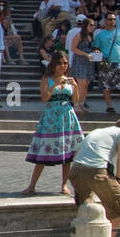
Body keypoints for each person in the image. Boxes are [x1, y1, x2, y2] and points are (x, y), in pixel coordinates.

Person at [69, 115, 120, 237]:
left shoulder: (97, 131)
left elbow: (76, 155)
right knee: (119, 206)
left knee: (85, 208)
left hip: (76, 171)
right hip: (96, 171)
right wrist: (119, 179)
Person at [21, 51, 83, 196]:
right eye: (60, 63)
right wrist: (54, 85)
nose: (63, 66)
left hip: (67, 115)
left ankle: (64, 185)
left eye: (65, 63)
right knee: (44, 150)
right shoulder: (46, 79)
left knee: (67, 153)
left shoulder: (69, 80)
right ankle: (32, 185)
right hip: (51, 116)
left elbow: (76, 99)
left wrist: (76, 86)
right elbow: (44, 98)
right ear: (54, 64)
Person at [93, 11, 120, 115]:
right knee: (106, 85)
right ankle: (109, 106)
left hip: (119, 62)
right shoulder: (100, 35)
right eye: (110, 19)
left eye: (114, 19)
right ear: (106, 21)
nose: (112, 21)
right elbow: (95, 48)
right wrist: (99, 59)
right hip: (106, 63)